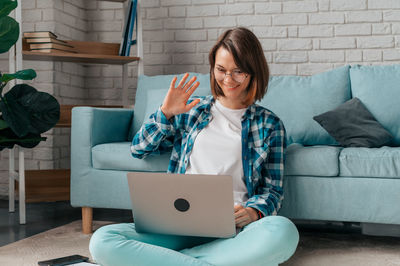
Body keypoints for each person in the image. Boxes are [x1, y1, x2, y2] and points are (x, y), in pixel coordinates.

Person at [89, 27, 299, 266]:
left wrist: (253, 212)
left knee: (283, 231)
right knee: (102, 240)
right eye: (221, 70)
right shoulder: (192, 112)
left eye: (238, 72)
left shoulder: (269, 124)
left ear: (253, 72)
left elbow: (273, 190)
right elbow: (139, 149)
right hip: (176, 224)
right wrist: (165, 113)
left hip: (232, 230)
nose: (228, 80)